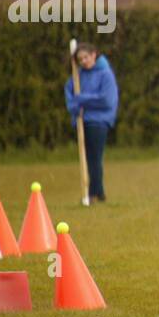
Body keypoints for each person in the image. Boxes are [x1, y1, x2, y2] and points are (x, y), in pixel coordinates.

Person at [64, 43, 119, 204]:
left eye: (86, 57)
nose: (83, 61)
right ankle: (96, 192)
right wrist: (74, 107)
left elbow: (107, 100)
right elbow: (70, 95)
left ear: (94, 55)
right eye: (80, 59)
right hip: (82, 121)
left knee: (95, 157)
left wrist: (83, 100)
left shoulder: (105, 74)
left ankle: (95, 192)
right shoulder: (77, 76)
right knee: (88, 158)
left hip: (99, 121)